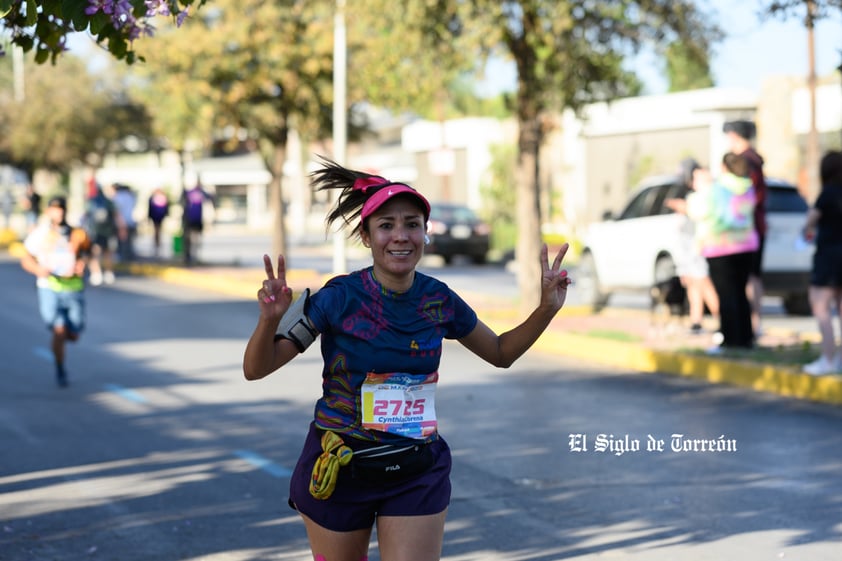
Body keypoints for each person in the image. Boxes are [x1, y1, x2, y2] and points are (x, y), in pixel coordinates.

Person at [242, 159, 572, 561]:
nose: (401, 236)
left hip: (415, 470)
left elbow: (501, 353)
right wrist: (268, 321)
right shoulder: (337, 297)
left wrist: (546, 310)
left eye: (412, 224)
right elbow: (257, 368)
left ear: (425, 233)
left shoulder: (439, 299)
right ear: (366, 236)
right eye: (387, 225)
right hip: (341, 464)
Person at [686, 153, 758, 351]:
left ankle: (730, 340)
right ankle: (745, 338)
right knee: (741, 293)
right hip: (746, 245)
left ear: (724, 167)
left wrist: (697, 192)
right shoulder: (747, 187)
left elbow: (700, 212)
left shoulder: (717, 188)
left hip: (720, 246)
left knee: (726, 295)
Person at [20, 196, 90, 387]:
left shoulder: (78, 233)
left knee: (73, 334)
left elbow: (88, 256)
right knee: (59, 330)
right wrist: (38, 270)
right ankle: (60, 369)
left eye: (61, 209)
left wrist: (82, 265)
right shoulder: (40, 234)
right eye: (54, 209)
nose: (58, 212)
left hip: (74, 289)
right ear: (48, 211)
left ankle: (65, 341)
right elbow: (26, 259)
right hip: (49, 287)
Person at [666, 158, 720, 335]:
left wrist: (684, 207)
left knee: (704, 283)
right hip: (690, 246)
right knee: (693, 283)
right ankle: (696, 320)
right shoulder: (692, 194)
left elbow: (699, 212)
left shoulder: (708, 194)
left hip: (702, 245)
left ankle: (722, 318)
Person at [723, 120, 767, 337]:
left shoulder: (747, 162)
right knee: (752, 277)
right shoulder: (754, 159)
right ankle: (752, 325)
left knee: (748, 278)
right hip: (751, 226)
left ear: (735, 136)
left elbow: (749, 198)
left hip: (746, 228)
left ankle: (752, 325)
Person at [802, 150, 842, 375]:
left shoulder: (827, 194)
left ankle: (828, 359)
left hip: (828, 257)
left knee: (820, 306)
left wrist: (807, 231)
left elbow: (810, 222)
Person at [84, 185, 121, 286]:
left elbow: (86, 216)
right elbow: (117, 215)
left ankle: (96, 274)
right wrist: (121, 228)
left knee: (94, 254)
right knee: (108, 253)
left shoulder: (91, 201)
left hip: (95, 232)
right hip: (108, 231)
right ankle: (109, 273)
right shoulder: (108, 202)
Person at [180, 179, 213, 265]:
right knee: (190, 238)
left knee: (197, 238)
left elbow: (210, 197)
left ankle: (195, 254)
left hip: (198, 219)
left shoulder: (202, 193)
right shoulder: (190, 192)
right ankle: (191, 255)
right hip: (190, 219)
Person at [112, 183, 137, 263]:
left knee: (122, 241)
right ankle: (128, 256)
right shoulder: (131, 197)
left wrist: (121, 223)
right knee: (128, 241)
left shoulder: (118, 197)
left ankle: (122, 256)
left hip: (121, 222)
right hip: (130, 221)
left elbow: (117, 211)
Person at [147, 187, 170, 258]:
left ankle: (157, 244)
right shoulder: (160, 198)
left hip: (157, 217)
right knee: (157, 230)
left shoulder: (156, 198)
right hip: (158, 217)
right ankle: (157, 244)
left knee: (157, 230)